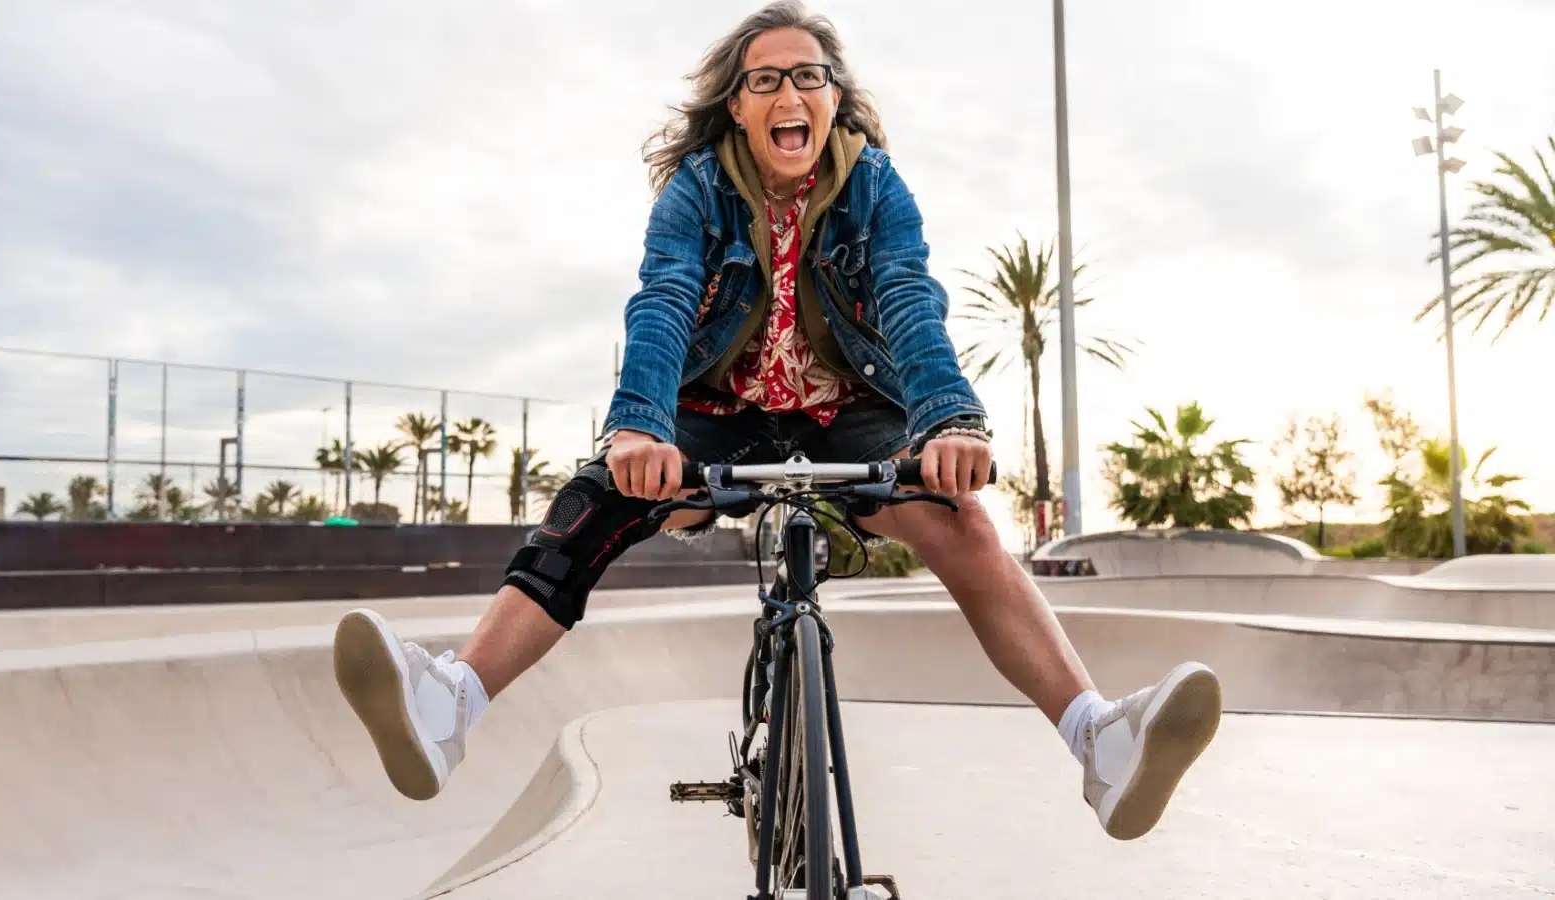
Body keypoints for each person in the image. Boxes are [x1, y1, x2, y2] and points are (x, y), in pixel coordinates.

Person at [332, 0, 1222, 842]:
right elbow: (667, 299)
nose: (789, 93)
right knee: (595, 504)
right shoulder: (697, 190)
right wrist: (638, 427)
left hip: (846, 409)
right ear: (736, 108)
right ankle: (450, 705)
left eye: (809, 75)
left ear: (836, 99)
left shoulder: (874, 185)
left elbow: (908, 295)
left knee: (965, 525)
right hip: (718, 409)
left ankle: (1099, 742)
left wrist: (951, 419)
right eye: (764, 80)